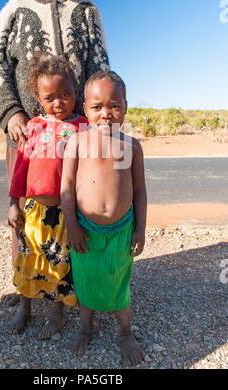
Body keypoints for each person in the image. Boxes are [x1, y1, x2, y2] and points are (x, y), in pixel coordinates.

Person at [0, 0, 109, 306]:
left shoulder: (87, 10)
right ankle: (25, 286)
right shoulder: (13, 8)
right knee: (27, 213)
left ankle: (75, 289)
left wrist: (97, 123)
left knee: (77, 212)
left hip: (78, 135)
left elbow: (100, 68)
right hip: (28, 133)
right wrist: (12, 114)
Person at [61, 71, 147, 366]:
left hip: (123, 229)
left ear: (125, 106)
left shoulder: (130, 145)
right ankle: (86, 327)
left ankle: (125, 332)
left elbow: (139, 191)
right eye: (97, 107)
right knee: (86, 280)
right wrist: (71, 224)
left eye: (114, 105)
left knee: (119, 280)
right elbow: (67, 188)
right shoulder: (77, 143)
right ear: (85, 109)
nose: (106, 114)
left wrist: (141, 230)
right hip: (84, 229)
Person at [8, 53, 88, 336]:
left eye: (65, 94)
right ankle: (25, 309)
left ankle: (57, 315)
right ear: (38, 98)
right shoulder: (34, 128)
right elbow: (21, 169)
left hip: (67, 214)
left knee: (61, 264)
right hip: (33, 211)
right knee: (28, 260)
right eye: (49, 98)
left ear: (76, 92)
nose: (58, 103)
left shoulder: (84, 128)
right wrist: (13, 205)